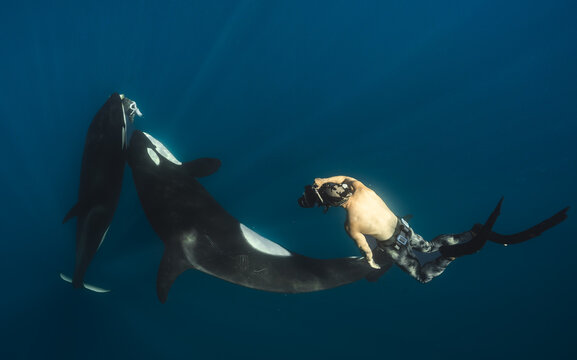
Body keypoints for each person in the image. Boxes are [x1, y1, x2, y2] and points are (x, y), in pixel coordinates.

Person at [298, 175, 569, 283]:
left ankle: (451, 255)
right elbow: (346, 175)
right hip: (404, 228)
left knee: (421, 274)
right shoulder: (363, 190)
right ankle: (469, 235)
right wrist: (324, 180)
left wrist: (371, 262)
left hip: (392, 246)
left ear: (330, 206)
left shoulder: (351, 223)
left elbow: (364, 247)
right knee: (427, 245)